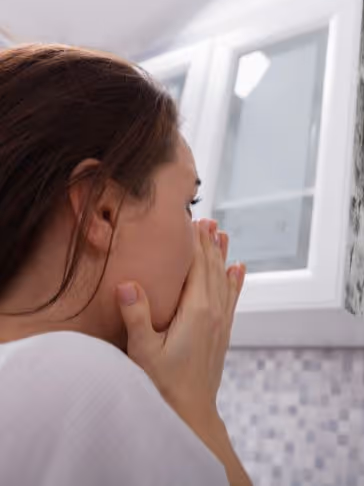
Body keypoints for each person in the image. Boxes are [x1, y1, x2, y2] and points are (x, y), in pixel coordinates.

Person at [0, 43, 252, 486]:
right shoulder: (83, 379)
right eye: (188, 204)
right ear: (102, 212)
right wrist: (196, 410)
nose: (203, 237)